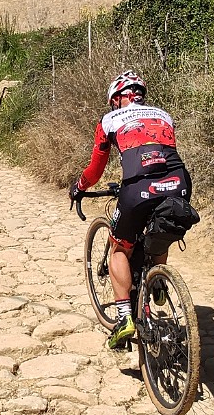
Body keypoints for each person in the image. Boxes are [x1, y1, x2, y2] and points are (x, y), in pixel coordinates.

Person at [70, 70, 192, 350]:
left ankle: (124, 317)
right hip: (179, 182)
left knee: (120, 249)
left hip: (139, 186)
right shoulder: (163, 115)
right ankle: (158, 278)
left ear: (116, 99)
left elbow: (96, 169)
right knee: (161, 230)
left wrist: (79, 186)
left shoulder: (109, 120)